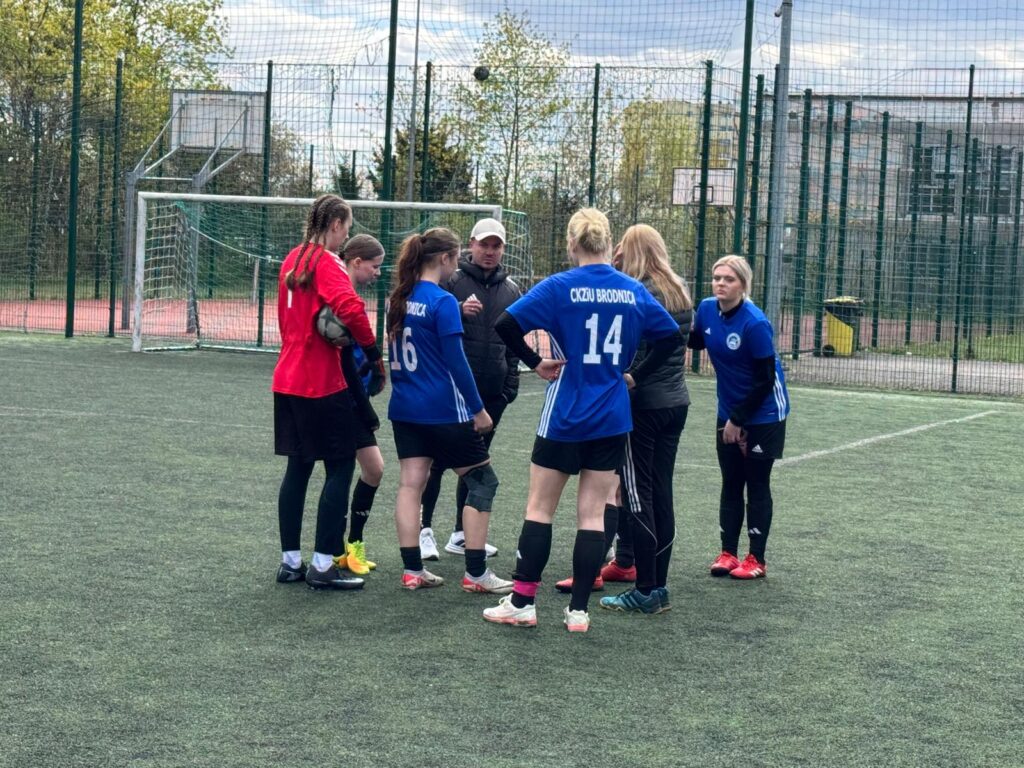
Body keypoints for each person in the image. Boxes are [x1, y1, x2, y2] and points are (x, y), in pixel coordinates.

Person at [482, 208, 681, 633]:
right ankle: (578, 612)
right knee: (592, 515)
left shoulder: (560, 285)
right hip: (612, 414)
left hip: (565, 412)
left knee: (540, 509)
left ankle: (523, 602)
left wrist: (535, 361)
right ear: (608, 243)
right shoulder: (632, 289)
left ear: (572, 244)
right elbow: (670, 338)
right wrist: (634, 375)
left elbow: (505, 324)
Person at [387, 227, 513, 594]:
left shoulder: (399, 298)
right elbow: (457, 363)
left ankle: (413, 570)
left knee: (411, 484)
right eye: (455, 258)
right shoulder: (442, 302)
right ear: (444, 258)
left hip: (405, 408)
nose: (455, 265)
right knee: (483, 481)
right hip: (443, 410)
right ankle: (476, 573)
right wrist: (478, 409)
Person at [272, 194, 386, 590]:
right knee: (340, 467)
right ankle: (322, 565)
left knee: (298, 468)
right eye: (347, 228)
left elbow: (286, 318)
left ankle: (290, 563)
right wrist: (373, 354)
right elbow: (351, 308)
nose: (345, 236)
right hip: (320, 380)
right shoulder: (327, 262)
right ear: (336, 224)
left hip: (286, 377)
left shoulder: (292, 259)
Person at [599, 224, 693, 614]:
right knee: (662, 493)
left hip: (645, 406)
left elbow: (645, 347)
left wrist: (634, 377)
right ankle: (659, 587)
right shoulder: (678, 289)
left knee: (638, 495)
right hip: (676, 402)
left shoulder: (639, 291)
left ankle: (646, 588)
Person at [418, 217, 521, 561]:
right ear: (471, 245)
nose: (490, 251)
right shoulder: (450, 281)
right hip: (451, 393)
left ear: (503, 249)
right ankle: (424, 531)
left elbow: (515, 343)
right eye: (484, 244)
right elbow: (431, 330)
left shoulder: (512, 290)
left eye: (496, 246)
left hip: (491, 395)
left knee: (476, 464)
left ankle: (461, 535)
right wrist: (460, 312)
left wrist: (508, 388)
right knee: (435, 464)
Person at [688, 254, 790, 579]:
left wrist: (739, 420)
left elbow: (765, 380)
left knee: (756, 482)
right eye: (717, 277)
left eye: (728, 279)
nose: (720, 283)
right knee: (731, 480)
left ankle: (756, 558)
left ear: (743, 285)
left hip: (765, 412)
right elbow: (694, 340)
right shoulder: (707, 309)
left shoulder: (754, 323)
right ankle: (728, 553)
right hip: (729, 409)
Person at [333, 234, 387, 577]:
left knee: (371, 470)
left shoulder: (349, 296)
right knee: (349, 472)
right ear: (356, 262)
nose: (378, 273)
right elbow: (342, 360)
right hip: (344, 401)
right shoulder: (341, 299)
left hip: (355, 398)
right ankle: (338, 549)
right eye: (374, 266)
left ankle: (350, 545)